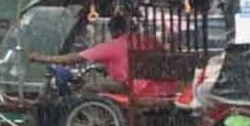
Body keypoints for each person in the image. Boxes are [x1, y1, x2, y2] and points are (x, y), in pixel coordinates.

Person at [29, 15, 177, 97]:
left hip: (136, 90)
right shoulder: (150, 40)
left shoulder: (114, 45)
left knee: (87, 88)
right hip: (164, 89)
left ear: (114, 31)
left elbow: (72, 59)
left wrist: (41, 58)